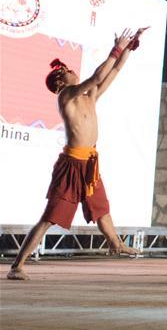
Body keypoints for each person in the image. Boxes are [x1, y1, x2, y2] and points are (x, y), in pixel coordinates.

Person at [7, 28, 148, 280]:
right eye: (68, 71)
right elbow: (97, 77)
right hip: (71, 164)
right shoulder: (66, 96)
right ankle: (17, 266)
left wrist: (128, 48)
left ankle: (116, 244)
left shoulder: (89, 97)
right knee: (50, 217)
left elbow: (114, 71)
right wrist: (116, 49)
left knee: (101, 208)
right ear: (60, 81)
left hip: (89, 163)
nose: (73, 71)